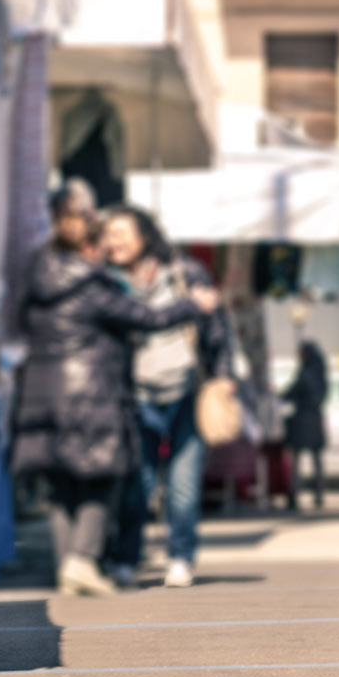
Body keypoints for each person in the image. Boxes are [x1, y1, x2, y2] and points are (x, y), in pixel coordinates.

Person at [10, 183, 212, 597]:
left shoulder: (39, 274)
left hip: (41, 393)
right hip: (90, 394)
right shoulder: (90, 284)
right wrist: (193, 304)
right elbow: (146, 317)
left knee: (63, 484)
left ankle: (68, 566)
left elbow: (16, 323)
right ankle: (82, 559)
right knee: (103, 477)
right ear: (87, 245)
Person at [98, 207, 228, 590]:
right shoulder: (106, 281)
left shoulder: (185, 273)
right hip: (134, 394)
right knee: (138, 484)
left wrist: (223, 374)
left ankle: (181, 557)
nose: (113, 241)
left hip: (187, 390)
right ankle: (127, 557)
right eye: (109, 234)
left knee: (184, 485)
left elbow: (215, 326)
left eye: (121, 232)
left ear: (145, 236)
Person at [283, 340, 328, 511]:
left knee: (296, 460)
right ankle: (318, 494)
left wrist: (282, 396)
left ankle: (294, 495)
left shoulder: (306, 372)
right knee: (316, 461)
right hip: (315, 418)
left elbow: (294, 391)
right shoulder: (321, 371)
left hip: (303, 419)